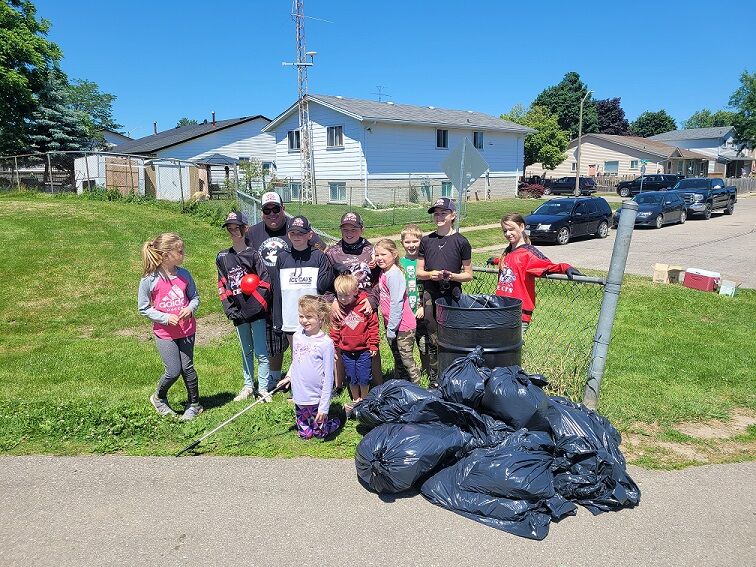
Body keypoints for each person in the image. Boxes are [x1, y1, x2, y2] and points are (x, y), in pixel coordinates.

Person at [245, 191, 325, 387]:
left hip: (294, 294)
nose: (272, 213)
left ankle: (305, 376)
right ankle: (275, 375)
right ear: (262, 212)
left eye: (276, 209)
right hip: (266, 295)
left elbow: (321, 248)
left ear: (283, 209)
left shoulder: (296, 228)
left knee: (303, 337)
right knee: (273, 339)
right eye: (267, 210)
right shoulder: (253, 233)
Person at [138, 233, 202, 421]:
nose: (183, 254)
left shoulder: (184, 274)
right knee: (173, 370)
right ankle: (158, 397)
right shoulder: (149, 279)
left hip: (187, 330)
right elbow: (143, 308)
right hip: (165, 333)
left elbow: (195, 298)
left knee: (188, 368)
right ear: (166, 255)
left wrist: (190, 308)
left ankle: (194, 404)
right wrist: (165, 318)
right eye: (180, 251)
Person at [215, 211, 273, 402]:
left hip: (256, 311)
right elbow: (222, 284)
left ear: (245, 228)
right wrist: (230, 309)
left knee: (261, 351)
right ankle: (248, 385)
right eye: (230, 228)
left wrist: (255, 307)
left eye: (237, 228)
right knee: (245, 350)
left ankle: (263, 388)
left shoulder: (254, 255)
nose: (233, 231)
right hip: (238, 311)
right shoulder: (222, 257)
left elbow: (265, 283)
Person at [416, 197, 473, 385]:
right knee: (433, 338)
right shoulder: (426, 241)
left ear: (453, 215)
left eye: (443, 213)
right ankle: (435, 377)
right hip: (430, 295)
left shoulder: (461, 242)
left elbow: (468, 274)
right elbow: (419, 272)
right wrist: (431, 274)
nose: (439, 216)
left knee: (452, 336)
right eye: (436, 213)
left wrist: (451, 276)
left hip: (452, 295)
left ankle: (454, 375)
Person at [496, 212, 582, 334]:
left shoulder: (528, 253)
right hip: (501, 308)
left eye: (511, 229)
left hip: (518, 313)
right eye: (505, 231)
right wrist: (496, 261)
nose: (507, 233)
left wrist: (565, 267)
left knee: (512, 349)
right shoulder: (509, 252)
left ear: (521, 227)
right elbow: (511, 264)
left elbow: (547, 265)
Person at [325, 211, 383, 388]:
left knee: (371, 343)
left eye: (354, 228)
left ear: (362, 229)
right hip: (341, 305)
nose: (349, 232)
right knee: (340, 344)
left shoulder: (371, 251)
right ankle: (339, 384)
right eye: (345, 229)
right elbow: (325, 283)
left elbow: (381, 280)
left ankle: (378, 384)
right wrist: (332, 301)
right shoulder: (332, 253)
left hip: (364, 304)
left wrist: (372, 300)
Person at [279, 296, 342, 440]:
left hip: (316, 396)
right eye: (301, 316)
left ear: (320, 317)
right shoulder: (297, 336)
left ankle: (337, 419)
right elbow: (296, 360)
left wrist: (324, 407)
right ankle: (307, 423)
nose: (304, 320)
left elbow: (328, 377)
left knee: (320, 434)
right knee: (305, 435)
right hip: (300, 394)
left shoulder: (326, 343)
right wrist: (288, 376)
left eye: (309, 317)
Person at [270, 215, 334, 344]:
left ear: (309, 235)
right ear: (288, 234)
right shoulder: (282, 257)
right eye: (293, 232)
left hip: (314, 319)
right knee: (298, 358)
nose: (296, 236)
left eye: (301, 233)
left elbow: (323, 287)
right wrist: (277, 319)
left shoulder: (318, 256)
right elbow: (277, 291)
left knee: (315, 357)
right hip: (290, 318)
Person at [375, 238, 421, 384]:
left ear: (394, 254)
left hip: (403, 326)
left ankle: (418, 388)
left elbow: (397, 303)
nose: (379, 258)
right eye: (377, 255)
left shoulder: (394, 274)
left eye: (383, 254)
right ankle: (400, 386)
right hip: (393, 324)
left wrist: (392, 328)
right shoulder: (385, 272)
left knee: (407, 360)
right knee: (398, 359)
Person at [330, 274, 379, 406]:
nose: (343, 299)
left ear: (355, 292)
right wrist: (334, 348)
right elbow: (334, 330)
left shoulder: (364, 305)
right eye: (339, 295)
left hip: (364, 350)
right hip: (346, 351)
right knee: (351, 377)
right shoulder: (338, 310)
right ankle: (355, 399)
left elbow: (373, 326)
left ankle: (364, 399)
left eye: (346, 295)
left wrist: (373, 344)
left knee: (364, 376)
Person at [399, 224, 430, 376]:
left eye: (415, 242)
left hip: (422, 311)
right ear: (402, 243)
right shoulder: (399, 264)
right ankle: (409, 373)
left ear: (421, 242)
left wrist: (423, 307)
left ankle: (427, 370)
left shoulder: (425, 263)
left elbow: (430, 287)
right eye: (407, 242)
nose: (411, 245)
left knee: (424, 344)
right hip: (405, 313)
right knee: (406, 346)